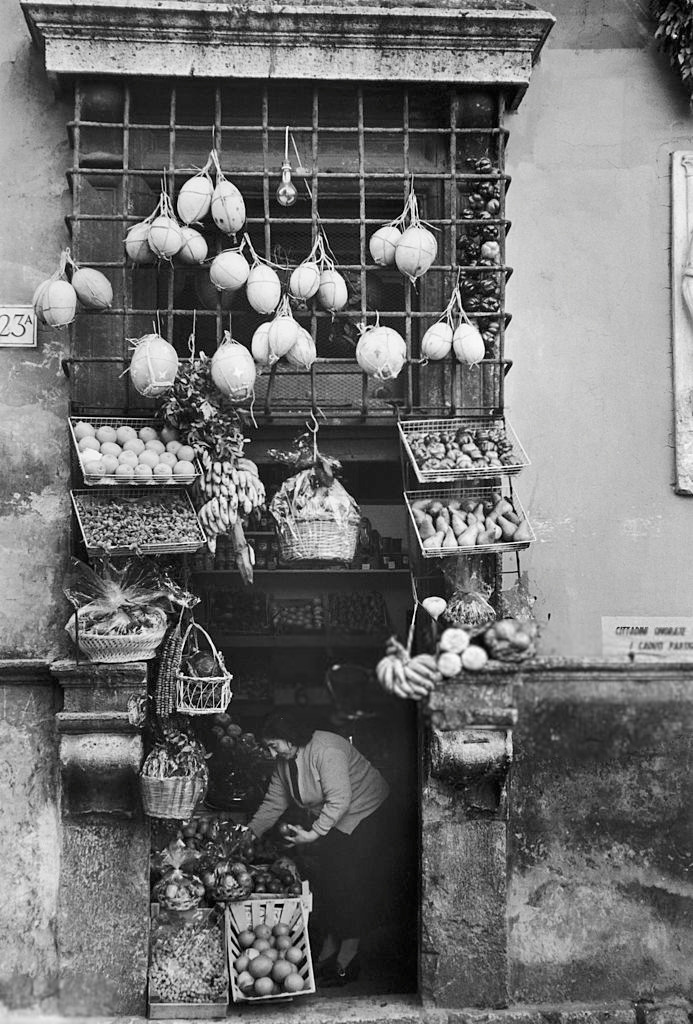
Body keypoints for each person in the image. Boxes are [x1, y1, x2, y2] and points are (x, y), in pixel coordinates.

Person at [247, 711, 391, 987]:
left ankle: (347, 958)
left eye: (272, 745)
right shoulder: (284, 761)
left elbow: (340, 799)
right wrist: (250, 833)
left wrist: (313, 833)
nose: (269, 752)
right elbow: (273, 804)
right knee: (330, 880)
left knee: (350, 883)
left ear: (290, 740)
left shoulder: (326, 750)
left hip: (367, 814)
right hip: (337, 817)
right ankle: (330, 946)